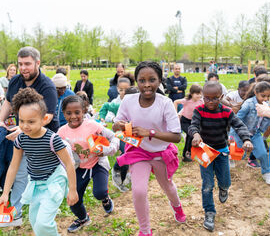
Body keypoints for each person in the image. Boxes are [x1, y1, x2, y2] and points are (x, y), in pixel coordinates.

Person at [113, 61, 186, 236]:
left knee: (167, 186)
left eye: (152, 80)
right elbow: (116, 125)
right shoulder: (129, 100)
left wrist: (149, 132)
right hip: (139, 151)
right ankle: (145, 230)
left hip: (161, 152)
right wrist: (120, 125)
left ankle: (177, 207)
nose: (147, 85)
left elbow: (176, 136)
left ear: (160, 80)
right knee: (139, 191)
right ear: (136, 82)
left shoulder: (165, 103)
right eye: (142, 80)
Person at [0, 88, 78, 236]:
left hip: (54, 181)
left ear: (44, 119)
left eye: (31, 121)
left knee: (43, 224)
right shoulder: (21, 139)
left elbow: (68, 164)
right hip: (35, 183)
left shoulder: (52, 139)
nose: (25, 126)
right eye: (21, 121)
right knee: (35, 223)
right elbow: (13, 166)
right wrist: (5, 193)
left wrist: (73, 190)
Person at [0, 46, 59, 227]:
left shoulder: (47, 86)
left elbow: (48, 116)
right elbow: (9, 102)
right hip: (21, 130)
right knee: (15, 170)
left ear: (37, 63)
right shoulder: (15, 81)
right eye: (20, 64)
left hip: (42, 135)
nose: (23, 68)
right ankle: (13, 209)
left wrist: (24, 130)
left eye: (27, 64)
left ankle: (28, 210)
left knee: (28, 174)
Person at [188, 81, 253, 232]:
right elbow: (193, 126)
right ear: (203, 97)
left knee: (225, 180)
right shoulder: (199, 110)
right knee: (207, 184)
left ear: (221, 96)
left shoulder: (226, 111)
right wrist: (196, 135)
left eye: (215, 98)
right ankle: (209, 212)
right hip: (205, 152)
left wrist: (247, 139)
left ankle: (224, 188)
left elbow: (239, 126)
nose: (210, 102)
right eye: (207, 98)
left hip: (222, 151)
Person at [57, 95, 119, 233]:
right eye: (68, 113)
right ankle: (83, 218)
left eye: (77, 112)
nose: (73, 116)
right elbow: (56, 151)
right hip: (78, 168)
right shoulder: (61, 132)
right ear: (63, 113)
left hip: (97, 163)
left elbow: (113, 136)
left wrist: (108, 150)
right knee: (73, 199)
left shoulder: (92, 125)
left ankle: (105, 199)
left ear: (84, 111)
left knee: (99, 193)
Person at [230, 81, 270, 184]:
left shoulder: (267, 105)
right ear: (256, 93)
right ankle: (229, 158)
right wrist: (232, 135)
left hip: (255, 133)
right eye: (263, 96)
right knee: (238, 154)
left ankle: (266, 172)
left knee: (263, 154)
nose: (266, 99)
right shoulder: (248, 104)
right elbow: (237, 119)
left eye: (268, 96)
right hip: (242, 133)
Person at [173, 84, 203, 162]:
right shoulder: (186, 100)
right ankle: (186, 154)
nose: (199, 95)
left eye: (200, 94)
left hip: (194, 122)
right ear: (192, 94)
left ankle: (189, 153)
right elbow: (176, 102)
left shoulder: (201, 101)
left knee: (193, 136)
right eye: (197, 94)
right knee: (191, 135)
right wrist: (176, 113)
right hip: (185, 121)